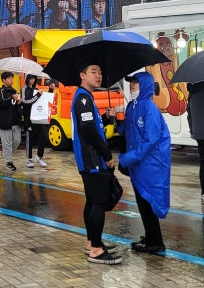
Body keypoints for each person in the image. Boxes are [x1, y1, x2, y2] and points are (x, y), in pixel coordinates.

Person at [71, 63, 121, 264]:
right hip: (92, 159)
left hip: (89, 158)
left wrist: (105, 118)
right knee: (99, 202)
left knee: (92, 201)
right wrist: (107, 155)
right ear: (82, 75)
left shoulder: (85, 96)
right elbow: (89, 131)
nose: (98, 76)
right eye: (94, 72)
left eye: (100, 72)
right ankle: (97, 250)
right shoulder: (83, 98)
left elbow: (92, 124)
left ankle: (92, 242)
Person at [119, 72, 171, 254]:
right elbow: (126, 130)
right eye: (131, 83)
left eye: (136, 83)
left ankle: (156, 241)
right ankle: (151, 237)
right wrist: (115, 118)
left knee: (148, 201)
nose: (132, 86)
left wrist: (128, 158)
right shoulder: (132, 106)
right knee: (142, 202)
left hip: (151, 164)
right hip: (138, 164)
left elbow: (151, 139)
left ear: (145, 85)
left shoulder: (149, 108)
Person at [0, 71, 21, 172]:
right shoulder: (0, 92)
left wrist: (19, 102)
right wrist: (11, 98)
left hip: (15, 121)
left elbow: (16, 106)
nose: (12, 80)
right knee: (7, 143)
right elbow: (1, 104)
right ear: (4, 80)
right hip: (5, 121)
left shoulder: (15, 91)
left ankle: (7, 155)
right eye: (9, 78)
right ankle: (8, 162)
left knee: (17, 141)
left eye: (12, 78)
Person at [21, 74, 48, 168]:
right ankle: (29, 160)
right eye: (30, 78)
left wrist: (51, 90)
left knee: (44, 135)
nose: (32, 80)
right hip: (29, 118)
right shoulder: (24, 89)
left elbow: (42, 101)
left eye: (33, 78)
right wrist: (37, 95)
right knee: (30, 138)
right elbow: (26, 102)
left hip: (39, 117)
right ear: (26, 79)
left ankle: (39, 157)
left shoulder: (36, 89)